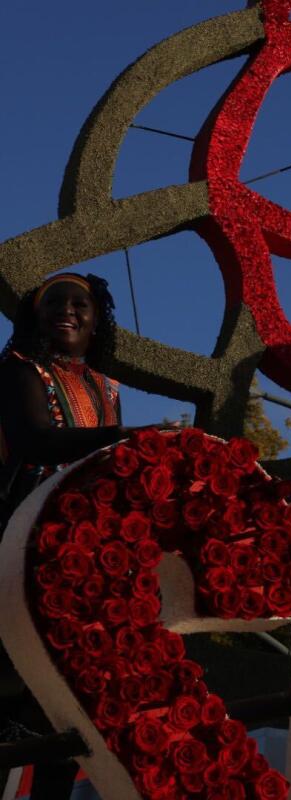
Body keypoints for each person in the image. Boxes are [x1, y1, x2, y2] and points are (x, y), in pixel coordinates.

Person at [0, 273, 129, 800]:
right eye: (54, 303)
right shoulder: (16, 370)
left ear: (98, 318)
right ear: (34, 316)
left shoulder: (107, 387)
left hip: (85, 558)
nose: (67, 311)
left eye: (80, 303)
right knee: (9, 695)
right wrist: (124, 439)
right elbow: (35, 440)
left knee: (68, 707)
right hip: (16, 545)